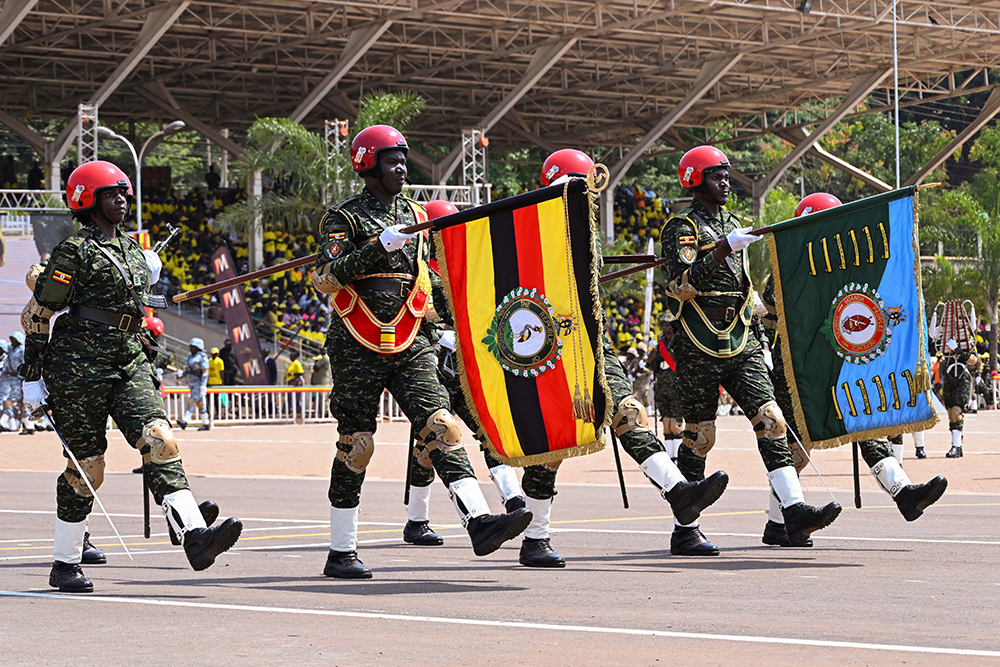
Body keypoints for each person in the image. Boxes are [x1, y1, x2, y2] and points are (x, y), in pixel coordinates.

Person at [405, 152, 732, 565]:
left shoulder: (585, 228)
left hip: (591, 342)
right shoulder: (530, 227)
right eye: (579, 186)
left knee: (628, 412)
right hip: (550, 346)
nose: (587, 196)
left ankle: (678, 492)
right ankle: (534, 538)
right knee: (552, 443)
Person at [309, 124, 531, 579]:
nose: (402, 168)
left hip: (412, 341)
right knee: (358, 444)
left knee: (442, 424)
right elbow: (327, 277)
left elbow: (426, 284)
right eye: (392, 160)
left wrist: (452, 326)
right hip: (357, 343)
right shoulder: (343, 219)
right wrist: (378, 247)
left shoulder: (418, 217)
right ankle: (341, 551)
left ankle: (478, 520)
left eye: (404, 159)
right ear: (366, 164)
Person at [20, 160, 241, 592]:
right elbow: (40, 313)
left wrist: (147, 278)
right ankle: (65, 562)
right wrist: (32, 375)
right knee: (87, 468)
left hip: (128, 360)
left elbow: (141, 307)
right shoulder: (74, 252)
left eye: (124, 192)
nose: (122, 200)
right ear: (87, 199)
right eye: (111, 194)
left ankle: (194, 537)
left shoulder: (134, 252)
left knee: (161, 439)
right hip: (77, 366)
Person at [660, 146, 843, 550]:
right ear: (695, 179)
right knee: (699, 437)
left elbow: (741, 283)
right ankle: (685, 529)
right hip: (699, 342)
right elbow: (682, 282)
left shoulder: (733, 222)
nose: (725, 182)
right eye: (716, 176)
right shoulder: (682, 227)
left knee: (772, 418)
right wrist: (724, 247)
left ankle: (793, 513)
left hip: (741, 336)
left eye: (727, 175)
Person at [759, 192, 947, 547]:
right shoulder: (789, 262)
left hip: (838, 362)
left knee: (863, 423)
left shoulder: (843, 264)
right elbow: (773, 302)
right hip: (797, 371)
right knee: (795, 447)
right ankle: (779, 522)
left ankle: (903, 491)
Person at [647, 315, 683, 462]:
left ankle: (678, 456)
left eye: (667, 324)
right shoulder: (661, 344)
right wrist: (652, 357)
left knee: (676, 423)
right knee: (667, 423)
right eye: (662, 324)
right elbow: (653, 367)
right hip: (662, 387)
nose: (664, 327)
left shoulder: (679, 343)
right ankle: (670, 455)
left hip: (676, 386)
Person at [942, 338, 976, 458]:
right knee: (951, 413)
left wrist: (957, 350)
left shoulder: (966, 338)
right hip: (949, 375)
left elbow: (973, 360)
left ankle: (956, 447)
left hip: (962, 376)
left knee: (957, 411)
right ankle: (957, 444)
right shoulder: (944, 335)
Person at [176, 337, 210, 431]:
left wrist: (203, 384)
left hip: (199, 384)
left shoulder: (202, 357)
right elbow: (188, 371)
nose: (191, 348)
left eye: (193, 346)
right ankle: (206, 423)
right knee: (200, 404)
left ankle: (185, 421)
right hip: (191, 383)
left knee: (191, 401)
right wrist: (181, 375)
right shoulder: (189, 357)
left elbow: (205, 372)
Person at [0, 332, 31, 434]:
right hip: (12, 379)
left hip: (20, 378)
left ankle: (2, 423)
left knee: (13, 401)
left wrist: (23, 375)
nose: (11, 341)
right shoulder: (10, 349)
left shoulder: (21, 351)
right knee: (19, 404)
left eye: (13, 339)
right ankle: (29, 427)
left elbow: (24, 364)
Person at [208, 346, 225, 418]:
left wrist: (222, 382)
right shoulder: (209, 361)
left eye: (215, 354)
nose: (214, 355)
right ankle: (209, 413)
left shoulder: (220, 361)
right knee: (208, 400)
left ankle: (218, 412)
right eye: (213, 354)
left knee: (217, 400)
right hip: (210, 382)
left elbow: (221, 372)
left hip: (217, 382)